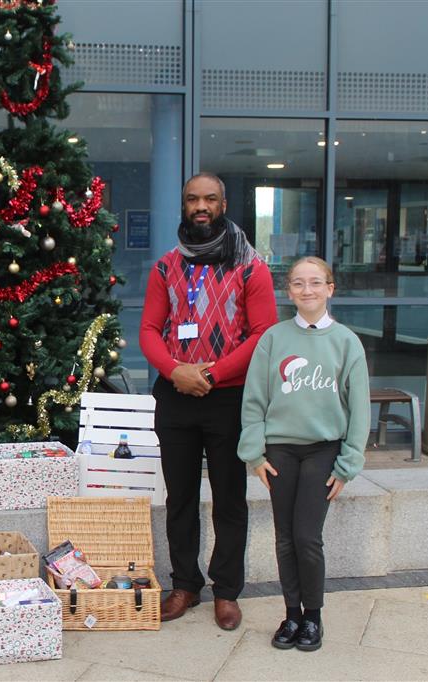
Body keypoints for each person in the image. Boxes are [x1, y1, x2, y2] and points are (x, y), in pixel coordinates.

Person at [140, 173, 278, 630]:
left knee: (229, 498)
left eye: (210, 199)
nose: (201, 206)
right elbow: (147, 331)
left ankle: (226, 591)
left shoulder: (250, 267)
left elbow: (263, 334)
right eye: (193, 199)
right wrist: (175, 370)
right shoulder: (165, 267)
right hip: (176, 397)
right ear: (184, 205)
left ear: (223, 203)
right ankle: (184, 585)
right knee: (180, 497)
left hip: (229, 399)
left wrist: (213, 373)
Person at [238, 256, 369, 652]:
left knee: (306, 536)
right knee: (283, 538)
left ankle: (313, 617)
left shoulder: (346, 342)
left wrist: (347, 463)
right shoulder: (274, 339)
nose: (307, 290)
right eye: (298, 283)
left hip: (323, 452)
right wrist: (255, 455)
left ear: (330, 288)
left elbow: (359, 409)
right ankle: (291, 614)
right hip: (281, 451)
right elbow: (254, 401)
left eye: (315, 282)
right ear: (288, 290)